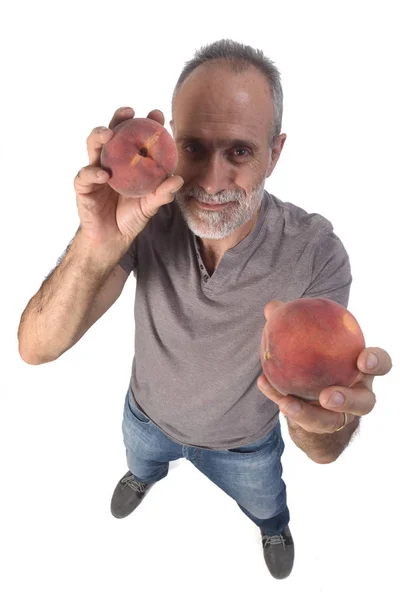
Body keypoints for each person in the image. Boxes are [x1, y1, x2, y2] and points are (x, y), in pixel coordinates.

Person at [18, 39, 392, 580]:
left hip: (246, 448)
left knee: (267, 500)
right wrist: (96, 243)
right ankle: (143, 477)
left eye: (239, 151)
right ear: (168, 138)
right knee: (140, 460)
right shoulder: (148, 218)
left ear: (275, 152)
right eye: (192, 147)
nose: (212, 182)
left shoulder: (315, 254)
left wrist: (328, 418)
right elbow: (36, 347)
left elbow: (320, 440)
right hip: (147, 419)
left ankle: (271, 525)